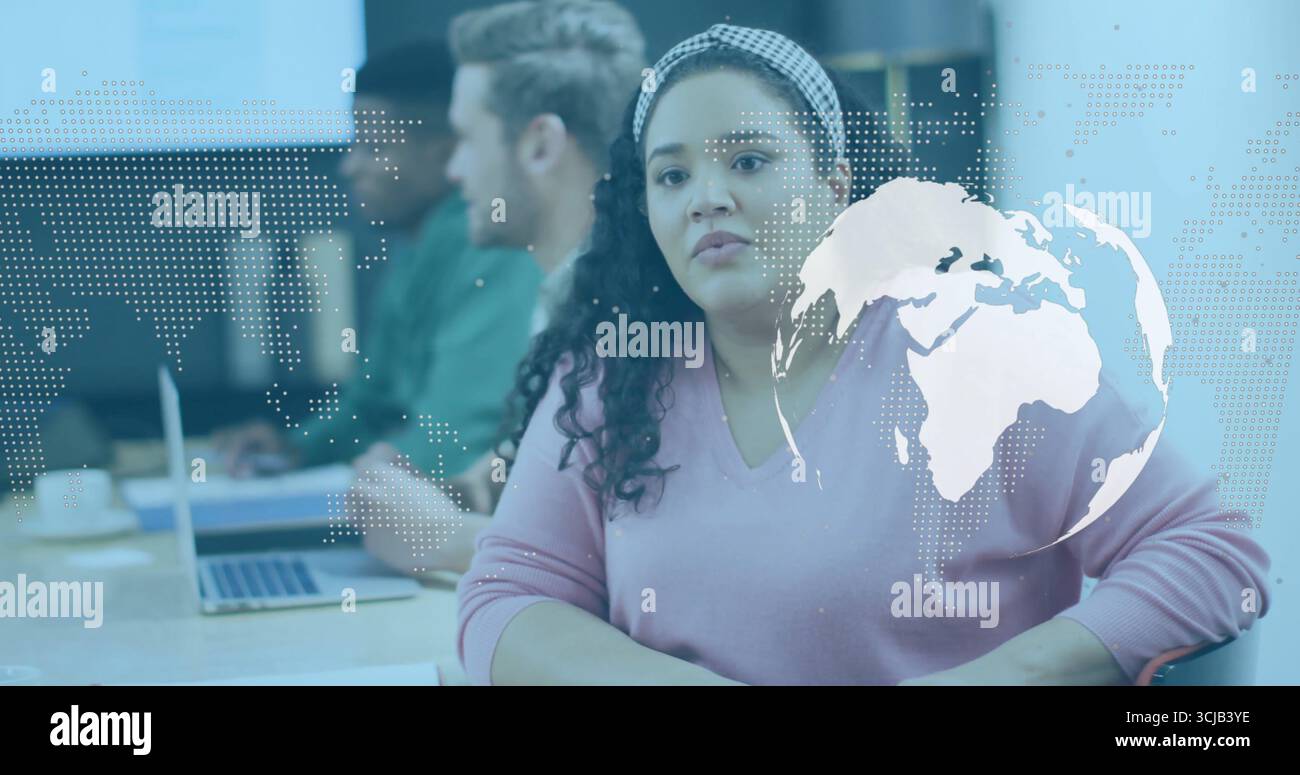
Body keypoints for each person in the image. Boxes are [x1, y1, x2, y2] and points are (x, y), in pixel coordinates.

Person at [454, 24, 1272, 685]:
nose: (707, 195)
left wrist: (1006, 675)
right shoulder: (612, 377)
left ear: (838, 186)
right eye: (672, 176)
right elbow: (504, 597)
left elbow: (1215, 550)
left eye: (749, 160)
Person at [347, 0, 646, 575]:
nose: (454, 170)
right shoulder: (566, 305)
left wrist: (456, 540)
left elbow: (666, 572)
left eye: (464, 138)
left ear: (539, 145)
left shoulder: (644, 327)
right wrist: (495, 481)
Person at [214, 41, 541, 480]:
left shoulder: (494, 249)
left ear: (447, 156)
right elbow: (369, 405)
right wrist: (294, 449)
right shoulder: (419, 252)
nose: (350, 167)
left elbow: (453, 438)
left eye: (373, 148)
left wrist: (363, 494)